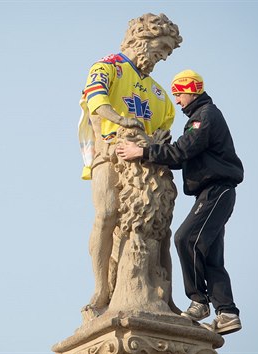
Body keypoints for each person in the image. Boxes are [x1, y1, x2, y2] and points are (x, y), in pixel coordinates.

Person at [115, 69, 244, 335]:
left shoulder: (204, 117)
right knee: (210, 254)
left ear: (190, 90)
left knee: (184, 238)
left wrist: (142, 151)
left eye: (178, 94)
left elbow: (182, 151)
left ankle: (198, 300)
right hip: (213, 192)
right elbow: (183, 154)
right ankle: (227, 312)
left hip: (216, 190)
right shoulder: (201, 116)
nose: (176, 101)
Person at [78, 13, 182, 314]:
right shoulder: (106, 67)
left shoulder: (160, 93)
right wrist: (122, 121)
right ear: (142, 39)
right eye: (161, 48)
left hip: (147, 165)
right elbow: (97, 105)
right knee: (107, 213)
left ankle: (167, 296)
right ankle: (100, 290)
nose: (162, 57)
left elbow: (164, 129)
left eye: (167, 53)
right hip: (109, 153)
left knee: (161, 230)